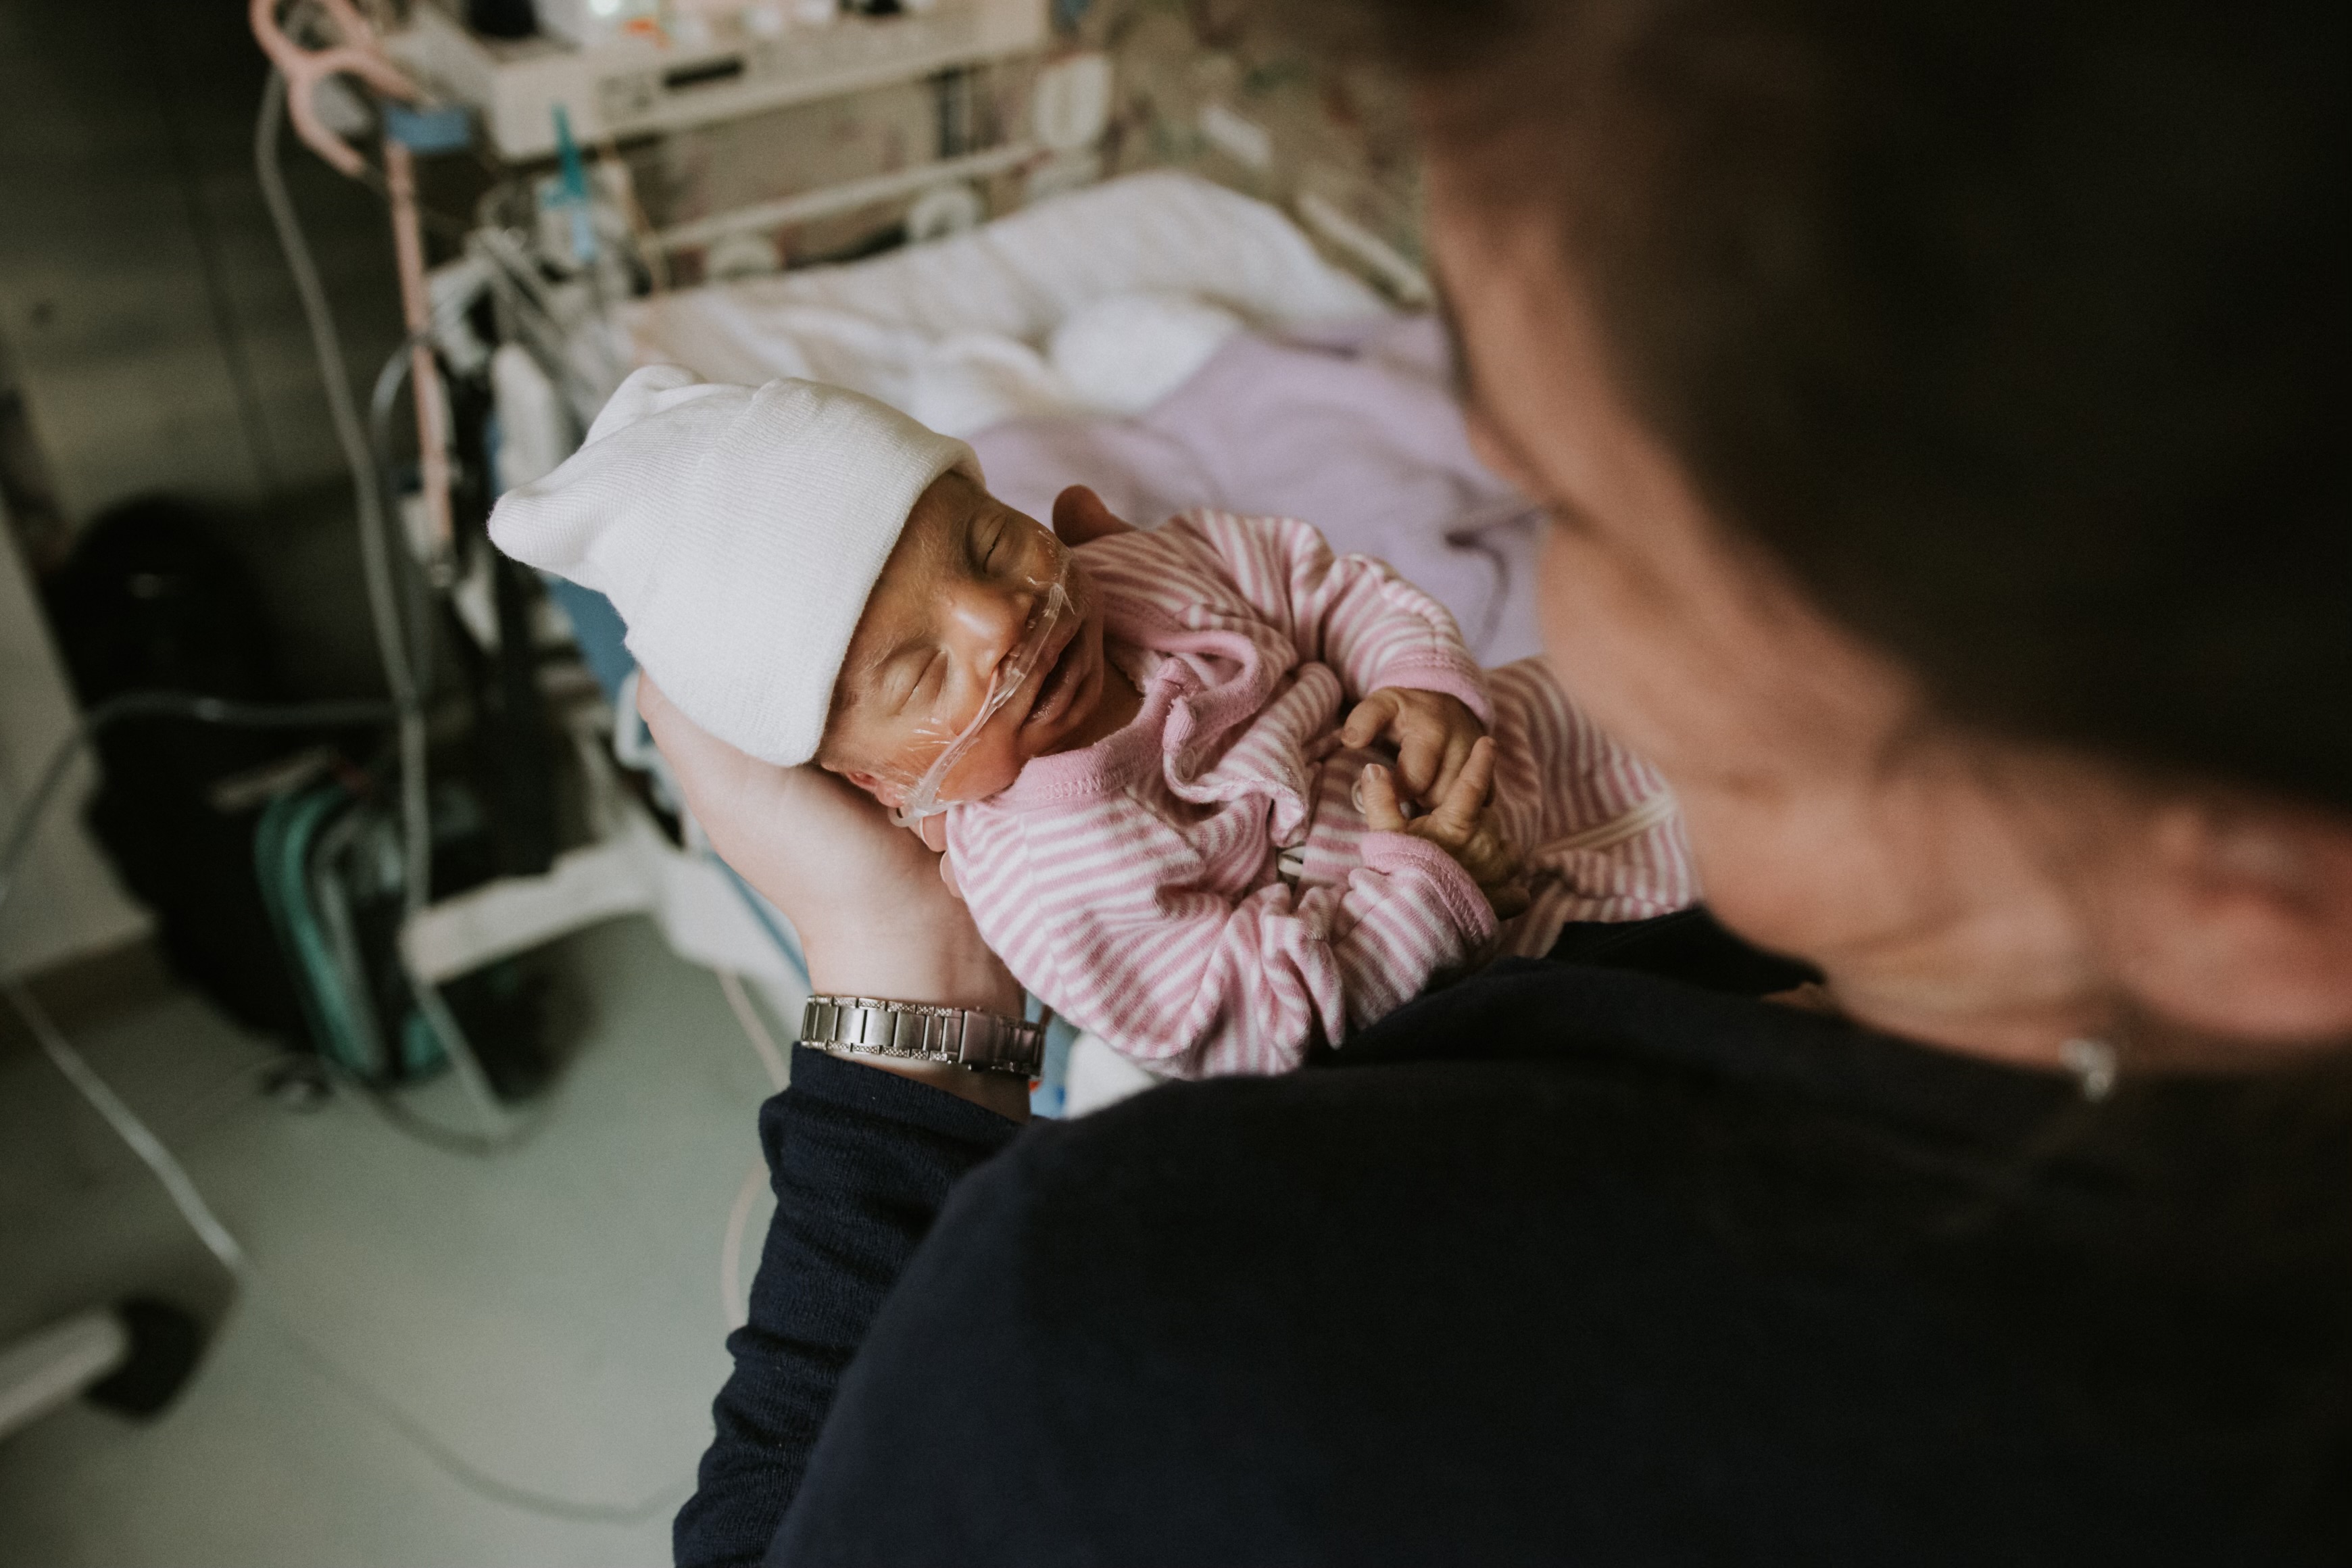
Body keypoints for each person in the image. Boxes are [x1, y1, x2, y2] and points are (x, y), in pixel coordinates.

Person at [658, 1, 2352, 1562]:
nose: (1555, 619)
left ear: (2256, 889)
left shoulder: (1126, 1329)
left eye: (1587, 524)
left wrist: (907, 1024)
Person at [491, 369, 1692, 1077]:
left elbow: (1320, 582)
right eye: (919, 671)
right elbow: (1255, 1026)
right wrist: (1422, 887)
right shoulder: (1047, 881)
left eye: (989, 541)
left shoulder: (1133, 573)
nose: (1003, 621)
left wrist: (1421, 676)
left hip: (1530, 747)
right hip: (1476, 967)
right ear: (881, 792)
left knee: (1719, 703)